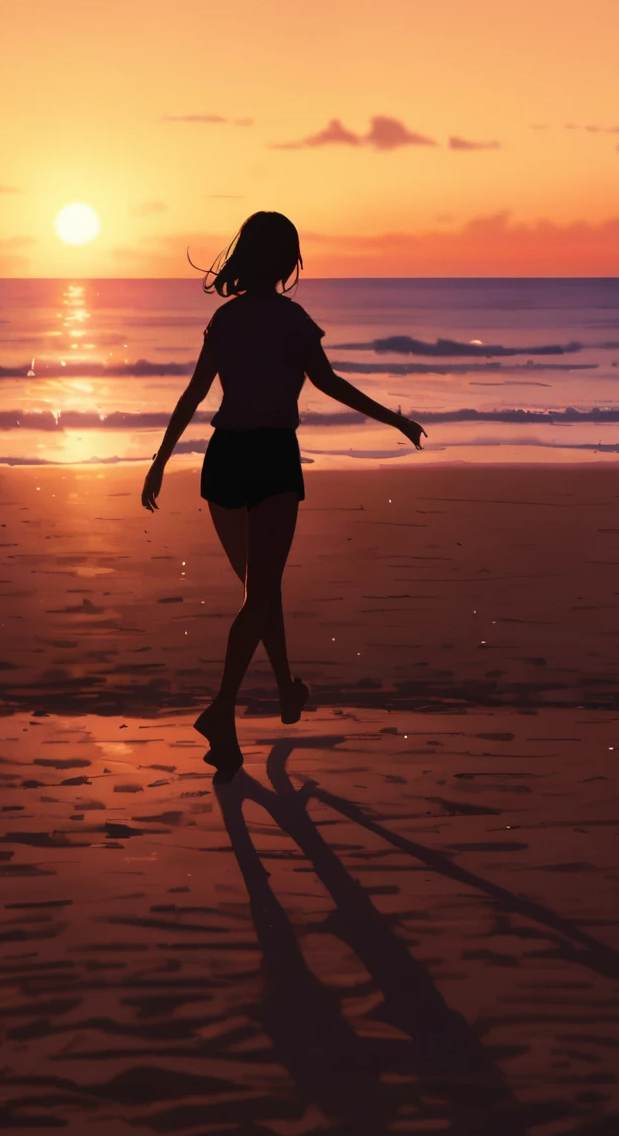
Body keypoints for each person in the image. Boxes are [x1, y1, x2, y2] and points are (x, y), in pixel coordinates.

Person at [141, 210, 425, 772]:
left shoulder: (224, 320)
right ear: (289, 260)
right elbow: (329, 383)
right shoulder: (294, 322)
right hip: (270, 458)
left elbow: (194, 396)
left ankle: (286, 692)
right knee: (261, 591)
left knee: (261, 591)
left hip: (223, 461)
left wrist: (158, 463)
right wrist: (393, 419)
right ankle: (222, 708)